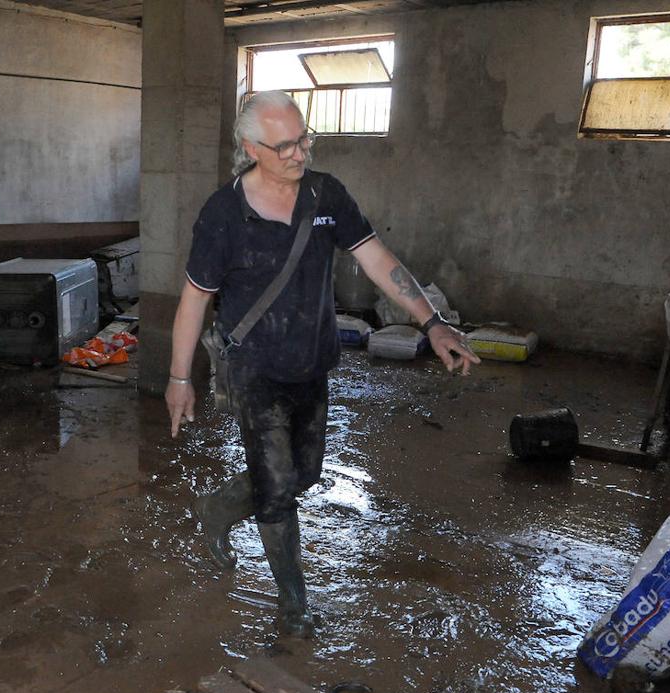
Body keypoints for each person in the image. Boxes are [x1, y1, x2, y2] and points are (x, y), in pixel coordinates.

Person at [165, 91, 480, 637]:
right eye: (284, 144)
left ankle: (219, 508)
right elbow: (194, 297)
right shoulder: (223, 215)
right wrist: (178, 377)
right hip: (254, 368)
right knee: (279, 484)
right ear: (250, 147)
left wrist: (432, 322)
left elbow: (377, 259)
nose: (299, 152)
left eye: (304, 138)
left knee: (306, 471)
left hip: (311, 361)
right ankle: (294, 606)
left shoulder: (325, 193)